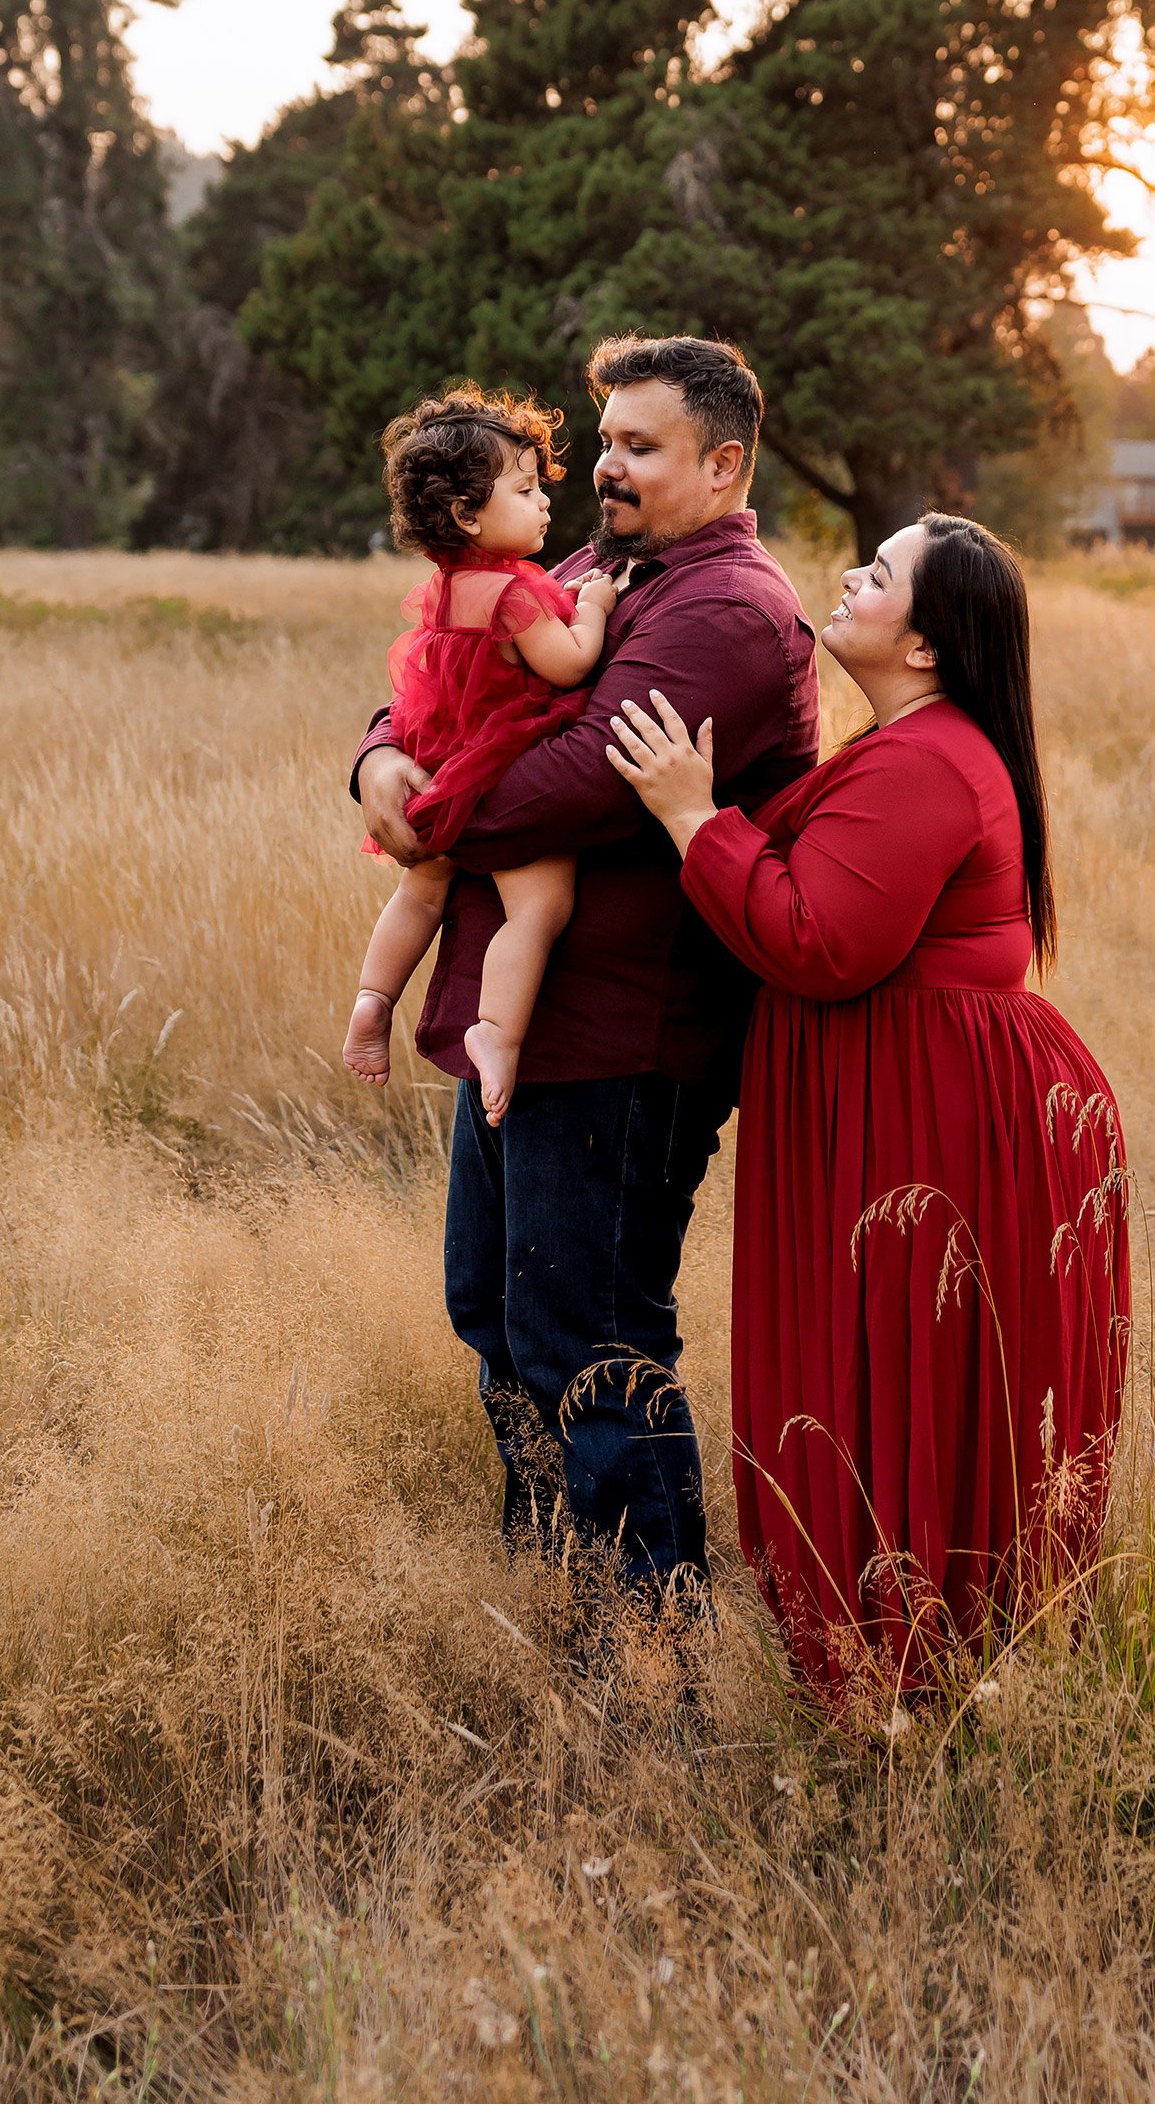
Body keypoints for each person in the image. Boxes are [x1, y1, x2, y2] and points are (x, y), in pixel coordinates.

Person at [607, 513, 1129, 1702]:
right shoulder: (917, 741)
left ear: (930, 644)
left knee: (903, 1364)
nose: (849, 575)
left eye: (880, 572)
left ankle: (904, 1662)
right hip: (916, 1088)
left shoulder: (927, 760)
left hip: (927, 1106)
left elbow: (818, 938)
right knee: (908, 1368)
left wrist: (693, 817)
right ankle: (916, 1652)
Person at [351, 335, 819, 1600]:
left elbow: (571, 782)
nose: (602, 462)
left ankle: (655, 1646)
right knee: (496, 1318)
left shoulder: (726, 610)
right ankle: (550, 1586)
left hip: (624, 1034)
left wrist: (426, 816)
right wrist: (378, 765)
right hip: (525, 1024)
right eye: (602, 438)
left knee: (593, 1339)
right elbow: (442, 686)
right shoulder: (596, 563)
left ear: (722, 463)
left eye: (638, 445)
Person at [342, 388, 620, 1125]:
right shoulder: (516, 595)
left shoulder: (444, 588)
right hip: (494, 761)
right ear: (467, 514)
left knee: (419, 894)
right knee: (537, 906)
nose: (544, 504)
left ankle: (373, 999)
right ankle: (495, 1031)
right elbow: (567, 666)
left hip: (434, 758)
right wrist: (591, 608)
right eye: (525, 490)